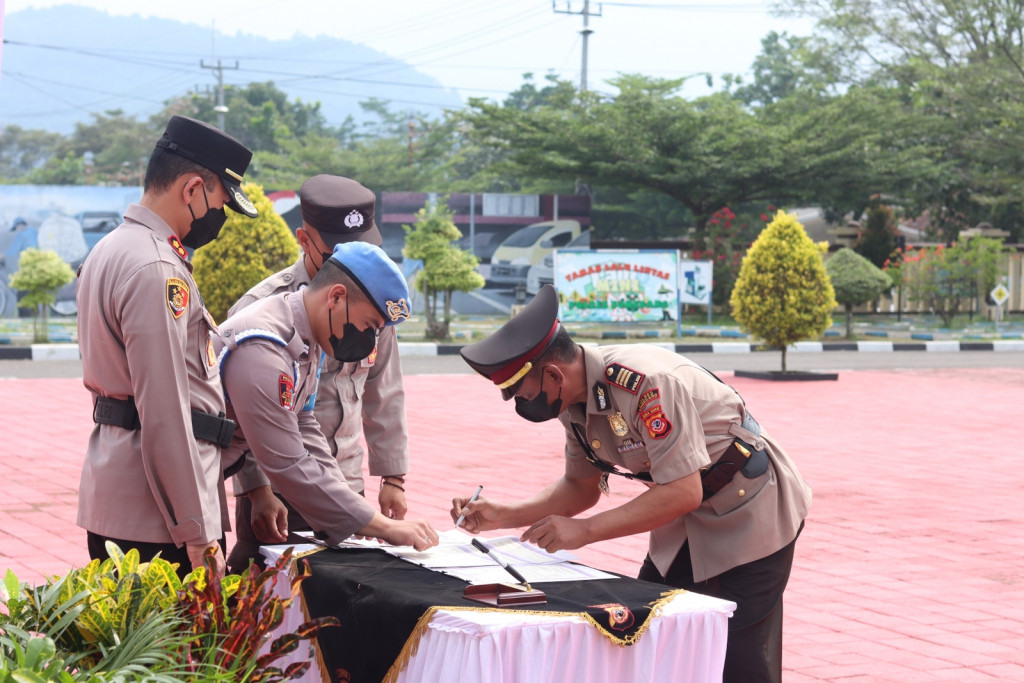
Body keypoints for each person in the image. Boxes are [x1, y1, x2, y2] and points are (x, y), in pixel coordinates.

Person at [451, 284, 811, 683]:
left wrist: (584, 532)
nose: (520, 403)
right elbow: (580, 486)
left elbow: (682, 490)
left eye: (520, 393)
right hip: (681, 520)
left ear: (553, 373)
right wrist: (504, 514)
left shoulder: (643, 384)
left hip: (750, 508)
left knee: (736, 656)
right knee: (652, 634)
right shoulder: (570, 402)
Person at [77, 115, 259, 579]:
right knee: (180, 651)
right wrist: (195, 531)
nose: (220, 217)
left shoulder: (111, 248)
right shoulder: (158, 267)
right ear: (193, 188)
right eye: (220, 201)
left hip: (120, 494)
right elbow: (164, 410)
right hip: (160, 521)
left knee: (127, 648)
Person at [216, 241, 437, 571]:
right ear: (335, 297)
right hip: (160, 487)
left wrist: (356, 516)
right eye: (368, 326)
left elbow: (305, 426)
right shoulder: (264, 345)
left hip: (197, 477)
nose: (368, 342)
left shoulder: (305, 334)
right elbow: (287, 463)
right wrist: (384, 527)